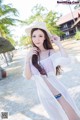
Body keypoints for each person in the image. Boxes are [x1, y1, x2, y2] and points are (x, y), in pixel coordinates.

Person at [24, 21, 80, 120]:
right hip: (46, 97)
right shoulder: (31, 56)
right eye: (34, 36)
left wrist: (59, 44)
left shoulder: (50, 53)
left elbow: (66, 60)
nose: (37, 39)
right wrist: (27, 59)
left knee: (73, 118)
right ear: (31, 38)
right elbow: (28, 77)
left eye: (40, 36)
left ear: (45, 37)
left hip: (58, 92)